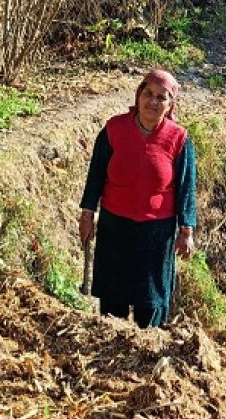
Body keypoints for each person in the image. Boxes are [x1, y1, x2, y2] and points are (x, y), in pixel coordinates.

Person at [78, 69, 197, 328]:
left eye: (161, 97)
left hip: (157, 234)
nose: (153, 102)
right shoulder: (114, 129)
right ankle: (110, 348)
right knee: (112, 300)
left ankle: (147, 350)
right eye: (148, 94)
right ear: (138, 95)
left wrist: (186, 230)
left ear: (170, 104)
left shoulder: (179, 139)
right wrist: (87, 214)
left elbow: (187, 188)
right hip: (115, 228)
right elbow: (95, 176)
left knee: (150, 302)